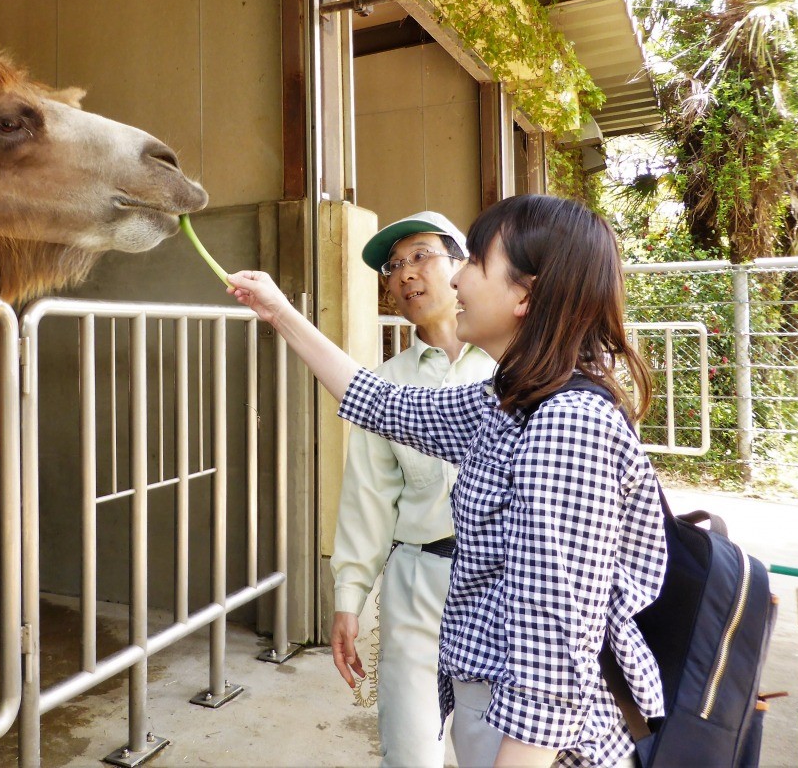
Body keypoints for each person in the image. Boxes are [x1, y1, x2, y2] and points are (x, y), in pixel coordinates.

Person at [229, 195, 666, 768]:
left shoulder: (565, 423)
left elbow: (552, 662)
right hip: (482, 683)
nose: (456, 276)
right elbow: (379, 403)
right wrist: (279, 310)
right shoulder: (510, 401)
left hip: (539, 743)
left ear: (526, 295)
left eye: (476, 261)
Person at [332, 211, 495, 768]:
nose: (404, 275)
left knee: (495, 745)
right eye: (393, 267)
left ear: (463, 266)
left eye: (421, 256)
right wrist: (349, 598)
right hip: (416, 582)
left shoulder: (516, 366)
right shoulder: (385, 385)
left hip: (500, 582)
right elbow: (368, 500)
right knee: (408, 749)